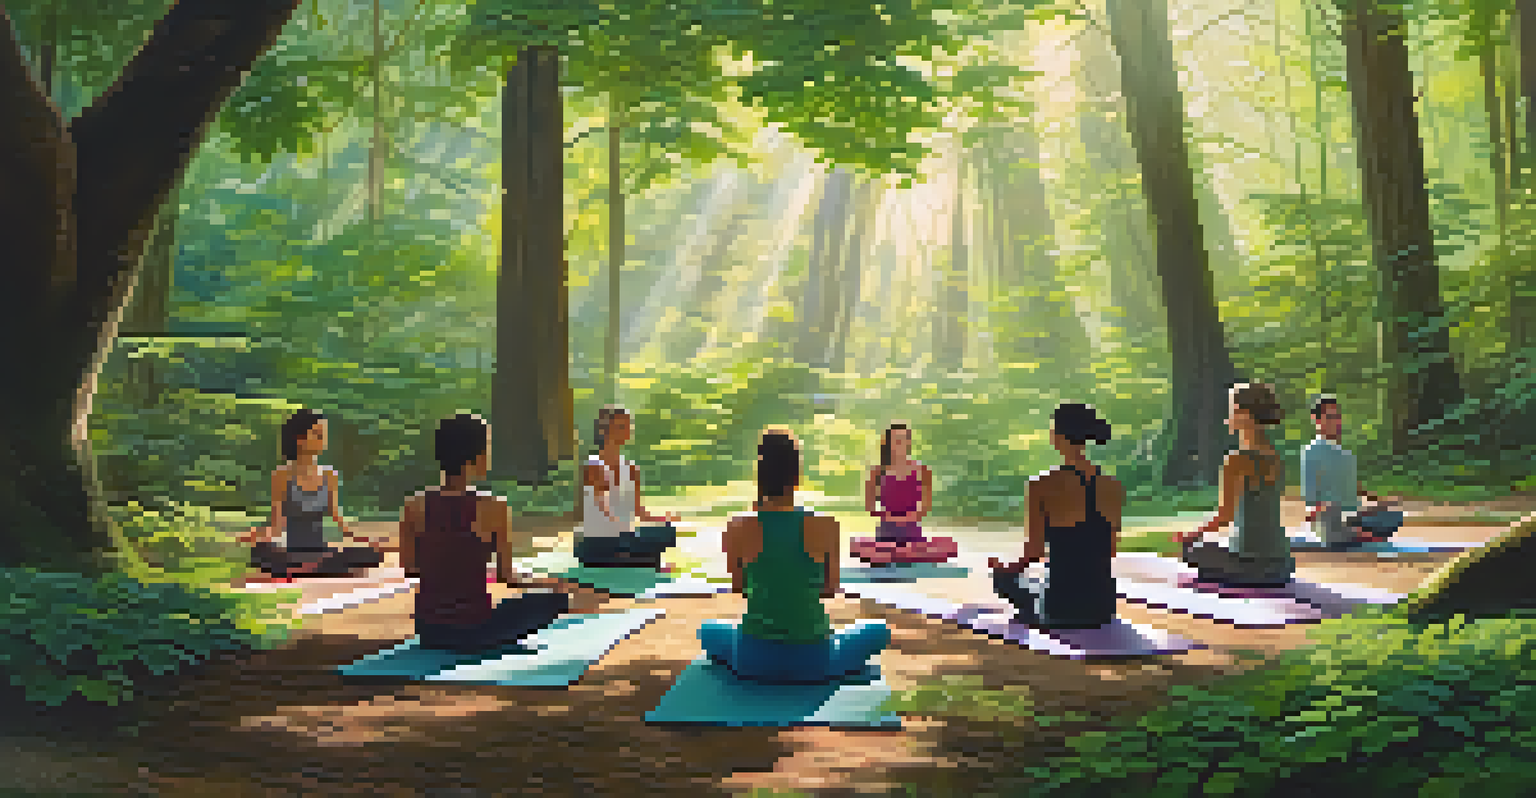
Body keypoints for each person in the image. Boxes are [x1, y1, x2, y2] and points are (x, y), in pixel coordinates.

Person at [698, 427, 891, 683]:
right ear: (797, 476)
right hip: (814, 660)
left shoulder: (736, 526)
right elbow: (830, 589)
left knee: (708, 629)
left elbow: (740, 587)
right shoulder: (826, 525)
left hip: (752, 660)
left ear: (759, 476)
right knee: (877, 630)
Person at [398, 413, 571, 652]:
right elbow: (507, 576)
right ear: (476, 456)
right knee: (557, 598)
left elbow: (410, 567)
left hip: (429, 631)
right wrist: (544, 582)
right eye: (488, 447)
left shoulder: (413, 506)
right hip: (475, 631)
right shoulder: (494, 507)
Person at [988, 403, 1124, 628]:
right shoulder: (1113, 485)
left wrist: (1006, 568)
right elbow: (1110, 549)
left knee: (1005, 580)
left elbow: (1034, 551)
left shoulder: (1040, 484)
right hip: (1103, 606)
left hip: (1060, 607)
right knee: (1039, 584)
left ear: (1057, 436)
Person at [1174, 383, 1294, 587]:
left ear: (1245, 415)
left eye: (1231, 411)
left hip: (1254, 568)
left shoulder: (1237, 459)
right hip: (1283, 566)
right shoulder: (1276, 456)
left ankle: (1233, 576)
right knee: (1213, 550)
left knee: (1192, 550)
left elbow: (1225, 516)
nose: (1227, 418)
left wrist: (1191, 534)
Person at [242, 410, 384, 579]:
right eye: (317, 435)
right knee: (261, 551)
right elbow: (277, 524)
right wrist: (257, 535)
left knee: (372, 554)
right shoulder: (282, 475)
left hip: (320, 551)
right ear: (299, 439)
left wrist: (366, 539)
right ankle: (312, 567)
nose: (323, 441)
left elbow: (339, 520)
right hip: (291, 552)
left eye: (323, 435)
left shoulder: (329, 475)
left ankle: (308, 568)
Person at [576, 406, 679, 569]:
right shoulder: (595, 465)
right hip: (599, 540)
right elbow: (603, 507)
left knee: (666, 532)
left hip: (624, 539)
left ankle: (639, 559)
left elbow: (637, 509)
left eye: (628, 426)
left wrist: (661, 520)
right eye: (620, 427)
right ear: (604, 430)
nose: (626, 431)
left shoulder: (631, 469)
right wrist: (624, 531)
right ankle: (641, 561)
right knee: (637, 543)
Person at [1301, 395, 1404, 548]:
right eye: (1329, 417)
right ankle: (1360, 535)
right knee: (1332, 523)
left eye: (1337, 417)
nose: (1335, 422)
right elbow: (1311, 500)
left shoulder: (1345, 454)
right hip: (1329, 518)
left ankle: (1359, 533)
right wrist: (1321, 510)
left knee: (1393, 515)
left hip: (1351, 516)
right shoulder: (1311, 451)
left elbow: (1353, 486)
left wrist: (1379, 502)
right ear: (1317, 420)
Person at [851, 423, 958, 564]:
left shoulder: (922, 471)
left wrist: (909, 517)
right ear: (888, 443)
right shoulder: (876, 472)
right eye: (897, 440)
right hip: (886, 531)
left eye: (905, 439)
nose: (901, 444)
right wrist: (889, 517)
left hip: (912, 530)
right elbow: (870, 507)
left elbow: (925, 507)